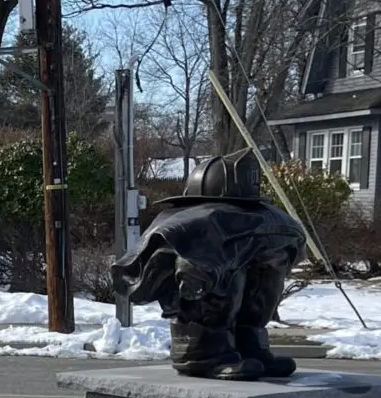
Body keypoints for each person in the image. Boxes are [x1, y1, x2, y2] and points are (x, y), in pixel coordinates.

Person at [114, 149, 307, 380]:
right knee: (219, 276)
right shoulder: (195, 224)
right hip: (200, 321)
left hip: (244, 327)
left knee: (263, 274)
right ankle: (203, 356)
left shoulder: (252, 221)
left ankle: (250, 345)